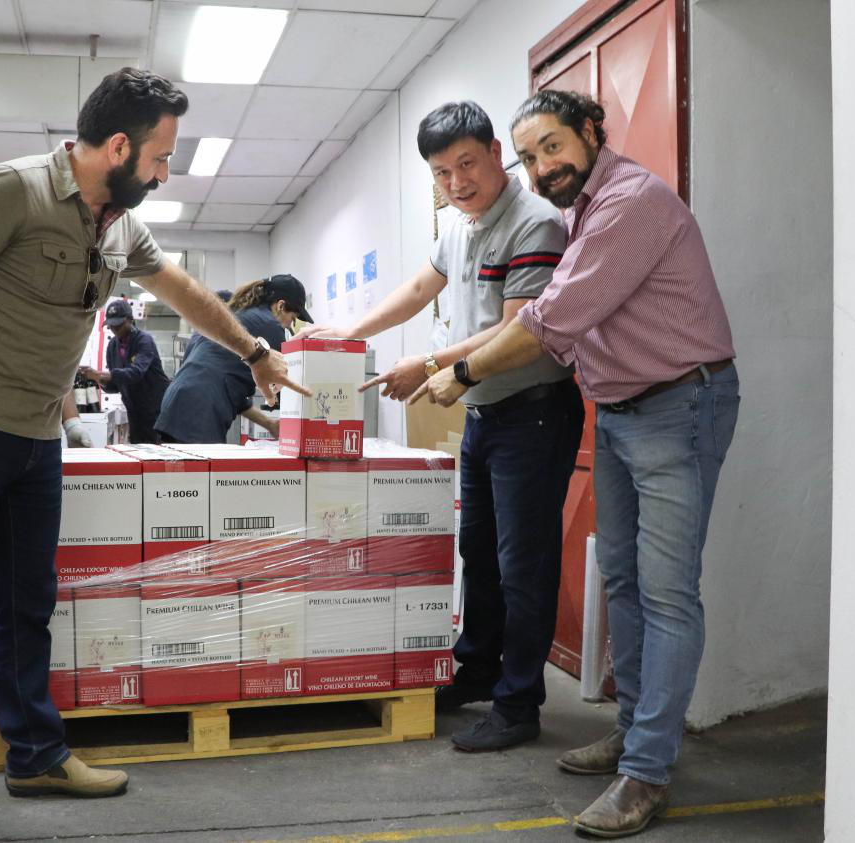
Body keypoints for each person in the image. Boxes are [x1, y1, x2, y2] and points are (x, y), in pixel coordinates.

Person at [0, 68, 306, 843]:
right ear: (118, 146)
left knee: (27, 603)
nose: (164, 172)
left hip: (36, 439)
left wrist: (254, 351)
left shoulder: (118, 226)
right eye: (160, 157)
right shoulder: (13, 191)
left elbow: (182, 291)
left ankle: (35, 755)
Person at [413, 89, 739, 839]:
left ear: (593, 132)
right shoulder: (576, 212)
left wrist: (457, 373)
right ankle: (633, 732)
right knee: (620, 579)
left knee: (666, 593)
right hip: (619, 408)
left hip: (678, 404)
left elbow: (547, 320)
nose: (542, 167)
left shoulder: (627, 203)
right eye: (531, 157)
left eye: (552, 147)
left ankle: (647, 770)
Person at [298, 101, 583, 752]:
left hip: (533, 413)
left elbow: (516, 329)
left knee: (523, 566)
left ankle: (518, 703)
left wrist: (428, 364)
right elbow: (419, 289)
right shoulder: (457, 225)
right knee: (477, 553)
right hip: (484, 414)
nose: (456, 182)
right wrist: (347, 331)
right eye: (441, 172)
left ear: (495, 153)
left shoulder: (535, 223)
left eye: (466, 164)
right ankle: (476, 669)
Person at [155, 274, 312, 443]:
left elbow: (236, 396)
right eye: (292, 319)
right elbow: (289, 389)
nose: (289, 326)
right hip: (201, 410)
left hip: (176, 402)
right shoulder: (269, 325)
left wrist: (269, 424)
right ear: (281, 305)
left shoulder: (234, 314)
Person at [79, 298, 170, 444]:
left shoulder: (144, 341)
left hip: (156, 411)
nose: (114, 329)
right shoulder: (112, 347)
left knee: (157, 452)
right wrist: (97, 379)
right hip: (134, 411)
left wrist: (100, 374)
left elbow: (136, 373)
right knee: (138, 450)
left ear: (130, 320)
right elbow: (115, 386)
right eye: (111, 325)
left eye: (118, 325)